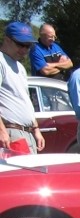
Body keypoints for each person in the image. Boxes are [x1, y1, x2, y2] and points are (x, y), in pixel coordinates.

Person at [0, 22, 45, 153]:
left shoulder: (19, 66)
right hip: (10, 132)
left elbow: (24, 99)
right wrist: (2, 131)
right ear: (7, 40)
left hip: (27, 132)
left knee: (32, 173)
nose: (25, 50)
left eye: (28, 46)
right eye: (21, 44)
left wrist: (36, 129)